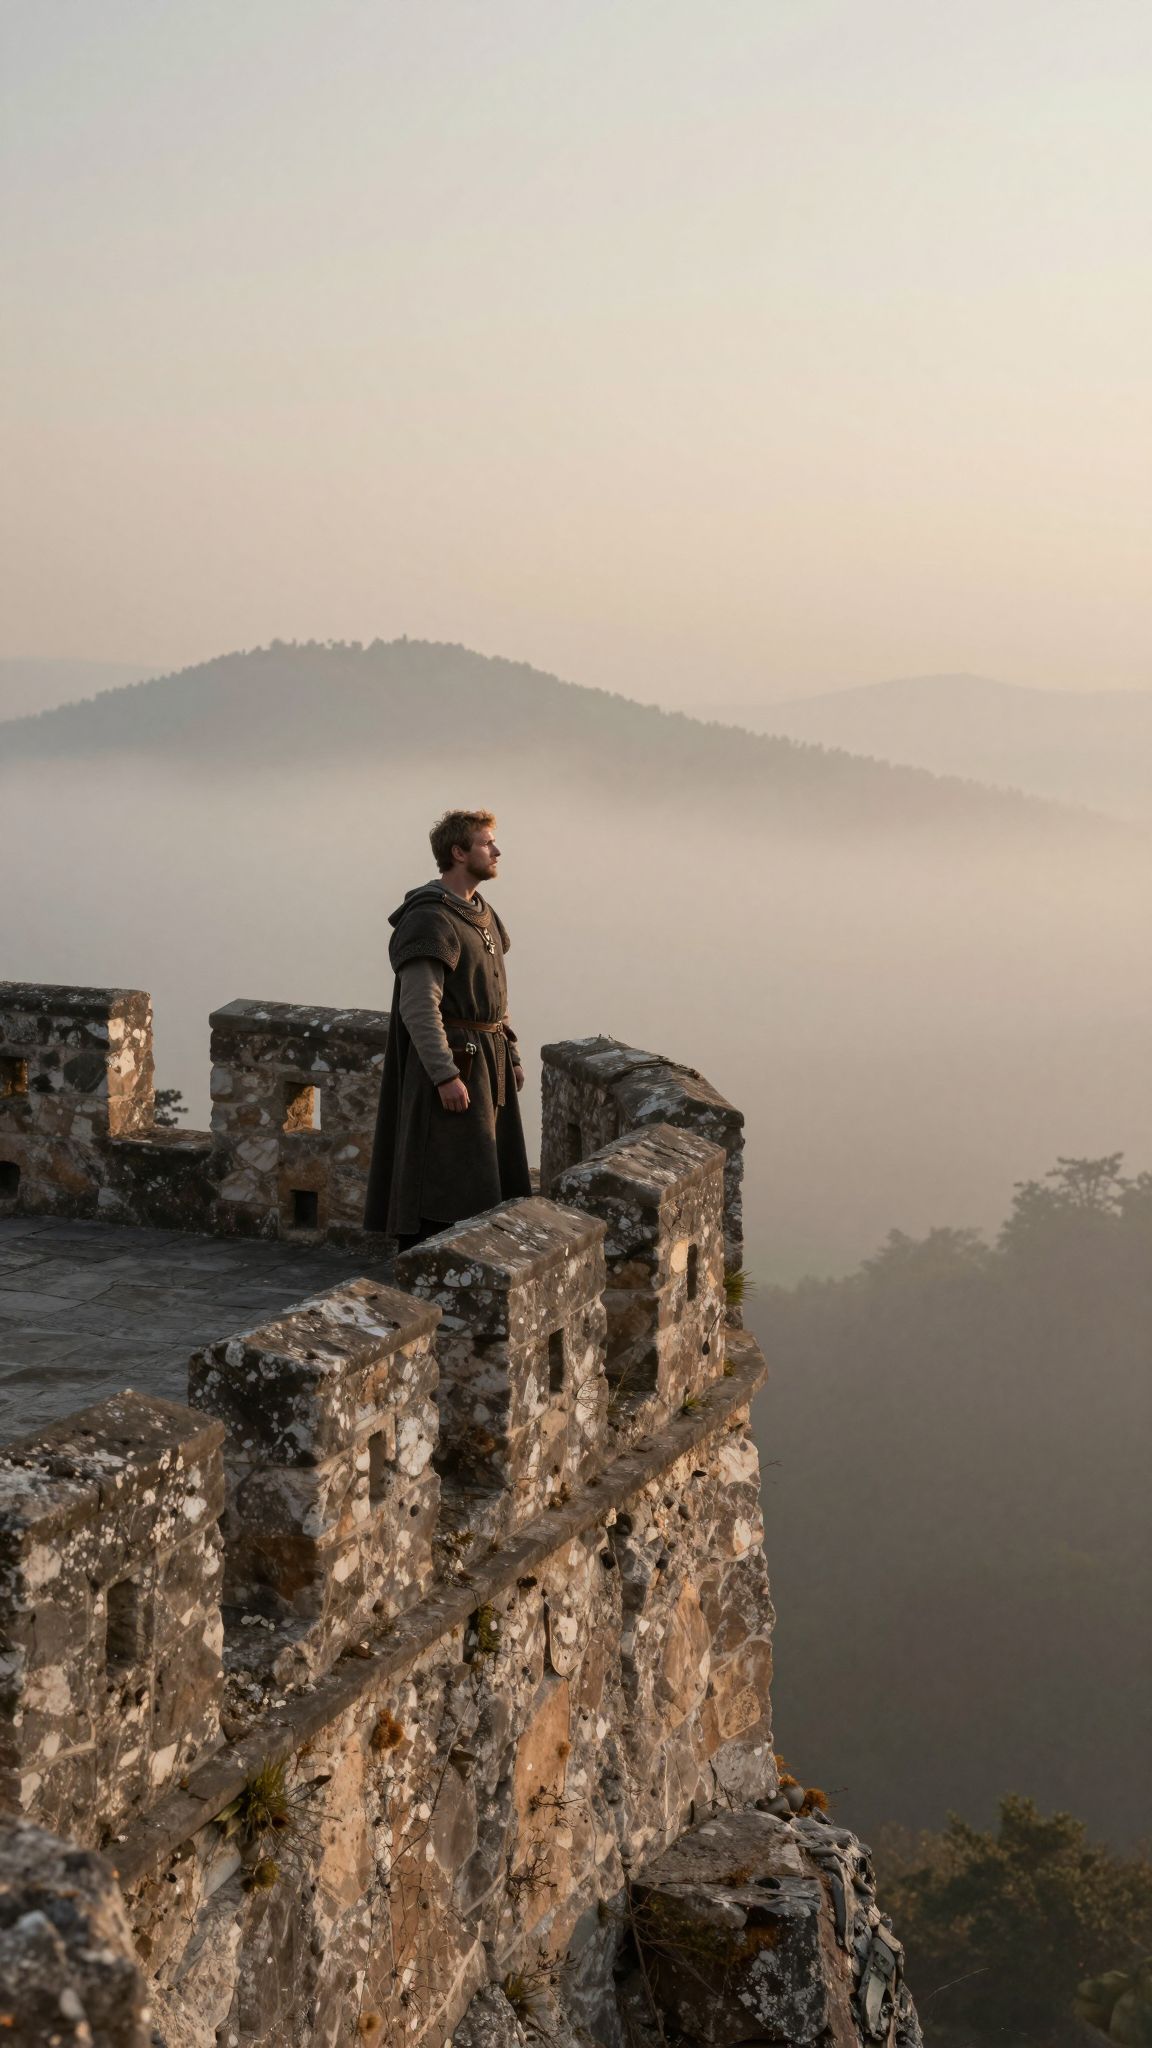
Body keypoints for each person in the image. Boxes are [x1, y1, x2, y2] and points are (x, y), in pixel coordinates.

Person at [363, 808, 532, 1247]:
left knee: (484, 1183)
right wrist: (445, 1074)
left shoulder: (483, 913)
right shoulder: (430, 918)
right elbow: (419, 1006)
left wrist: (509, 1054)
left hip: (487, 1064)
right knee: (443, 1183)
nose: (497, 850)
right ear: (458, 852)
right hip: (455, 1069)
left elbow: (497, 996)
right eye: (486, 843)